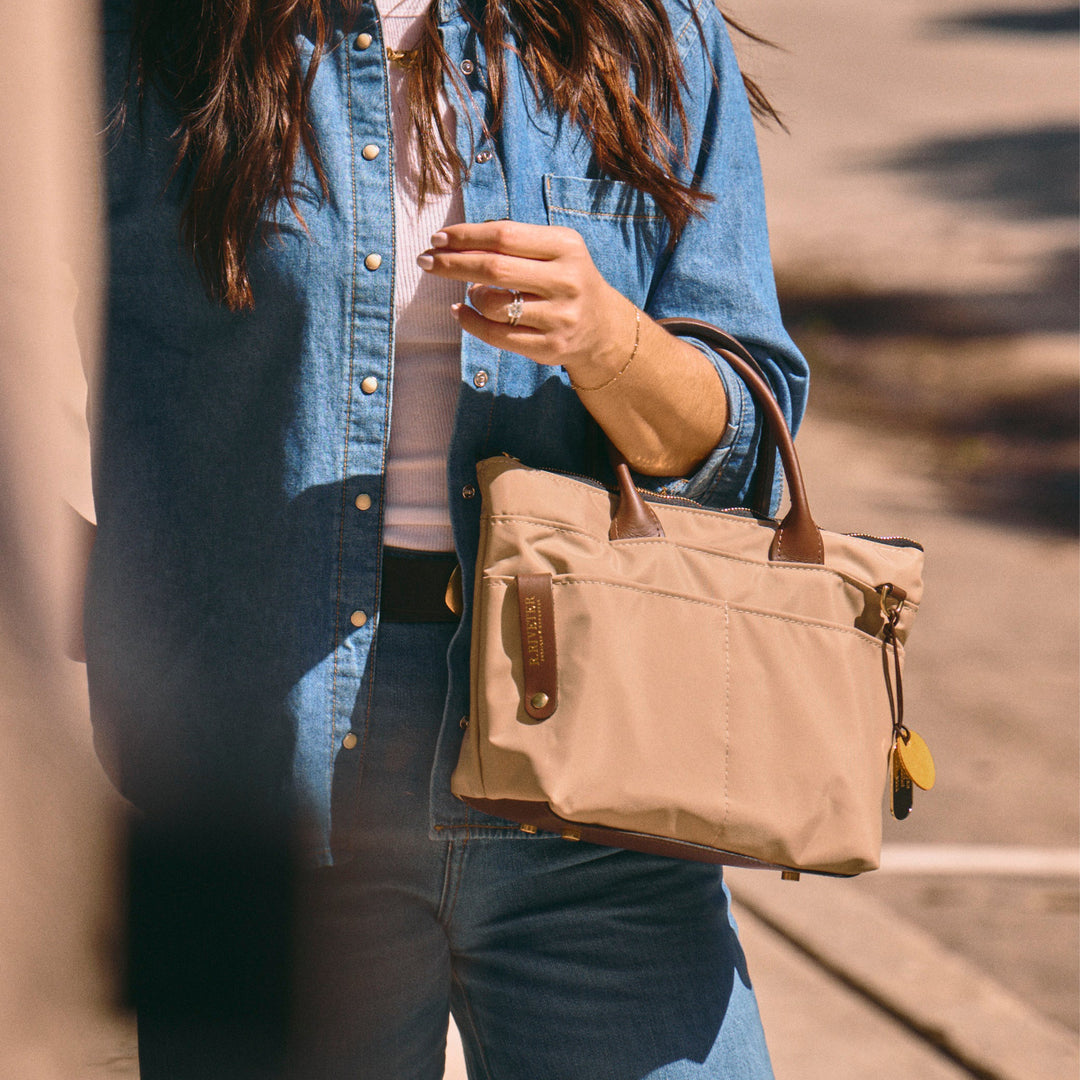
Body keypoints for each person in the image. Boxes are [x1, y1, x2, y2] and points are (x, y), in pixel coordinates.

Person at [91, 0, 808, 1076]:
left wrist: (605, 338)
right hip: (252, 781)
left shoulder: (653, 34)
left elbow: (747, 453)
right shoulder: (147, 37)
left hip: (601, 767)